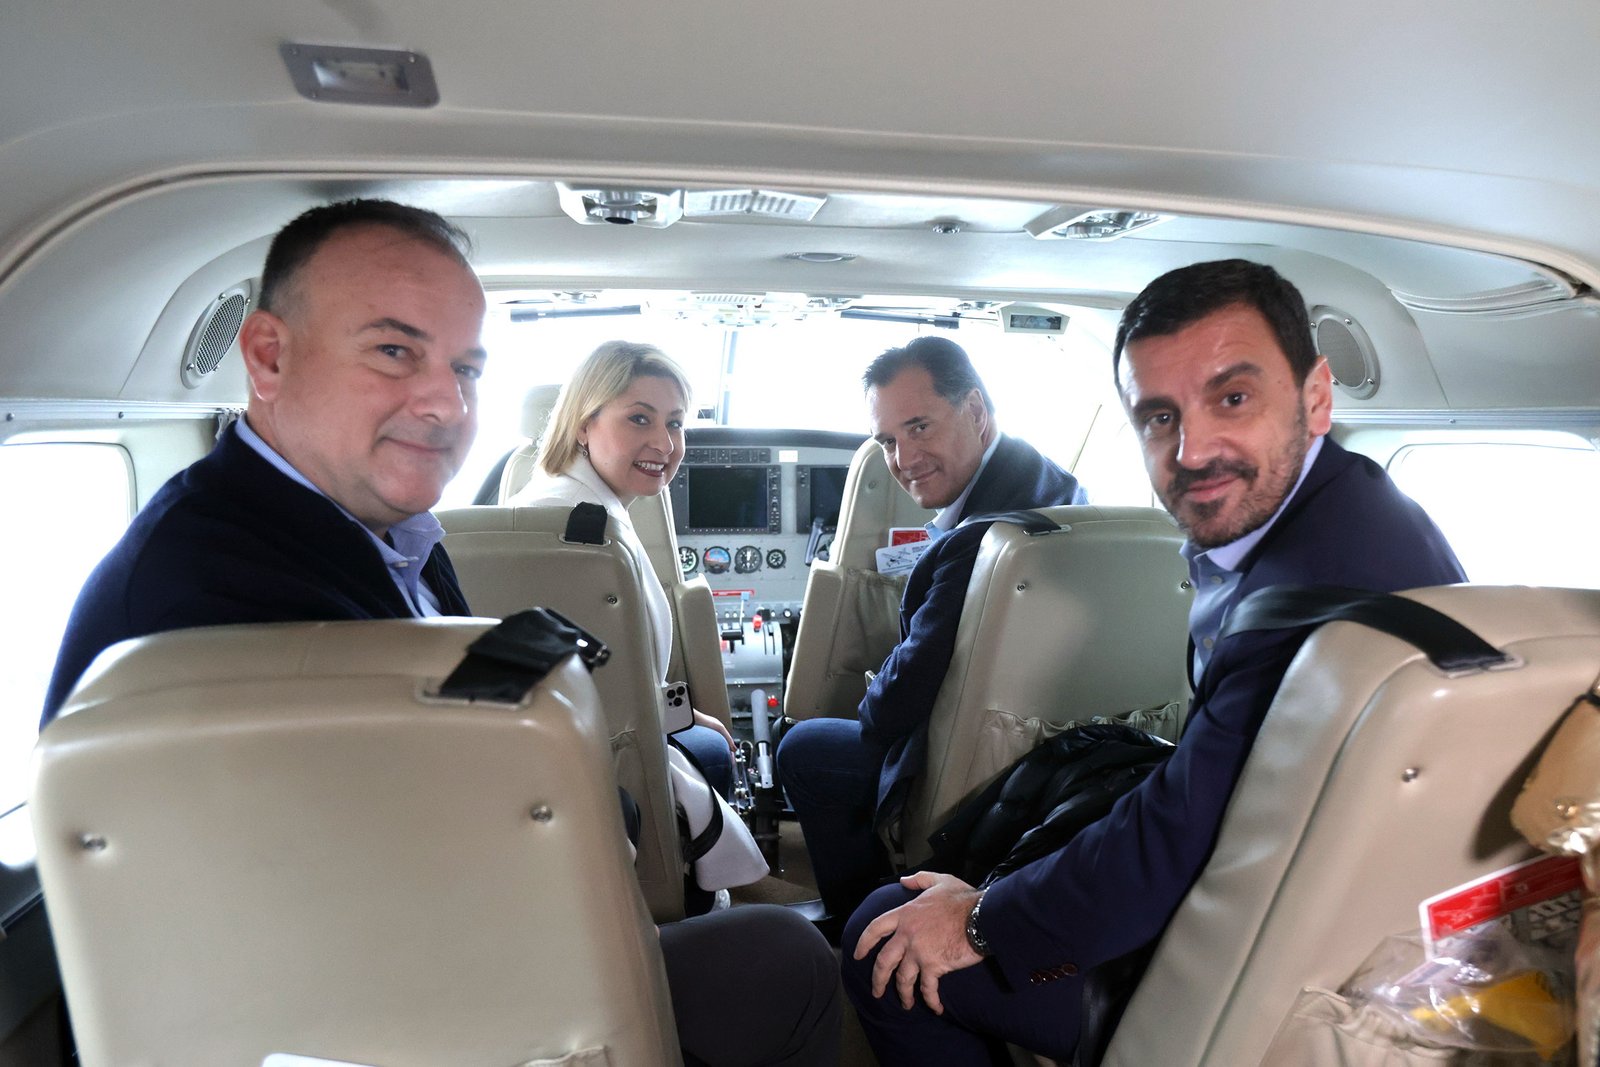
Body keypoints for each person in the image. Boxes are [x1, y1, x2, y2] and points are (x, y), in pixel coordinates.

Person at [40, 198, 841, 1067]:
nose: (446, 402)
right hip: (396, 1011)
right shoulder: (210, 587)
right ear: (268, 355)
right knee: (788, 959)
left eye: (466, 367)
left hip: (445, 951)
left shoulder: (392, 540)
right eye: (394, 352)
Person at [842, 259, 1467, 1065]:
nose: (1192, 449)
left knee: (881, 936)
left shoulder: (1302, 596)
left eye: (1232, 399)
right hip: (1331, 903)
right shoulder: (1365, 511)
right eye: (1160, 417)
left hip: (1263, 968)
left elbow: (1173, 840)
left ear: (1317, 396)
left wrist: (979, 919)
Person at [777, 337, 1088, 924]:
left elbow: (893, 709)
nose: (903, 458)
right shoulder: (1063, 489)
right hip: (1063, 755)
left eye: (919, 427)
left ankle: (861, 913)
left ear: (975, 410)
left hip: (980, 771)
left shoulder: (979, 538)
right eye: (887, 441)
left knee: (804, 746)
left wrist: (871, 691)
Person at [509, 340, 737, 799]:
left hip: (569, 742)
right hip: (589, 762)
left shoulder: (565, 502)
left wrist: (683, 714)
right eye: (639, 419)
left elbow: (607, 674)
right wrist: (680, 718)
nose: (665, 443)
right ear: (583, 425)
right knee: (714, 752)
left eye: (675, 423)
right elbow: (601, 698)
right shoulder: (575, 531)